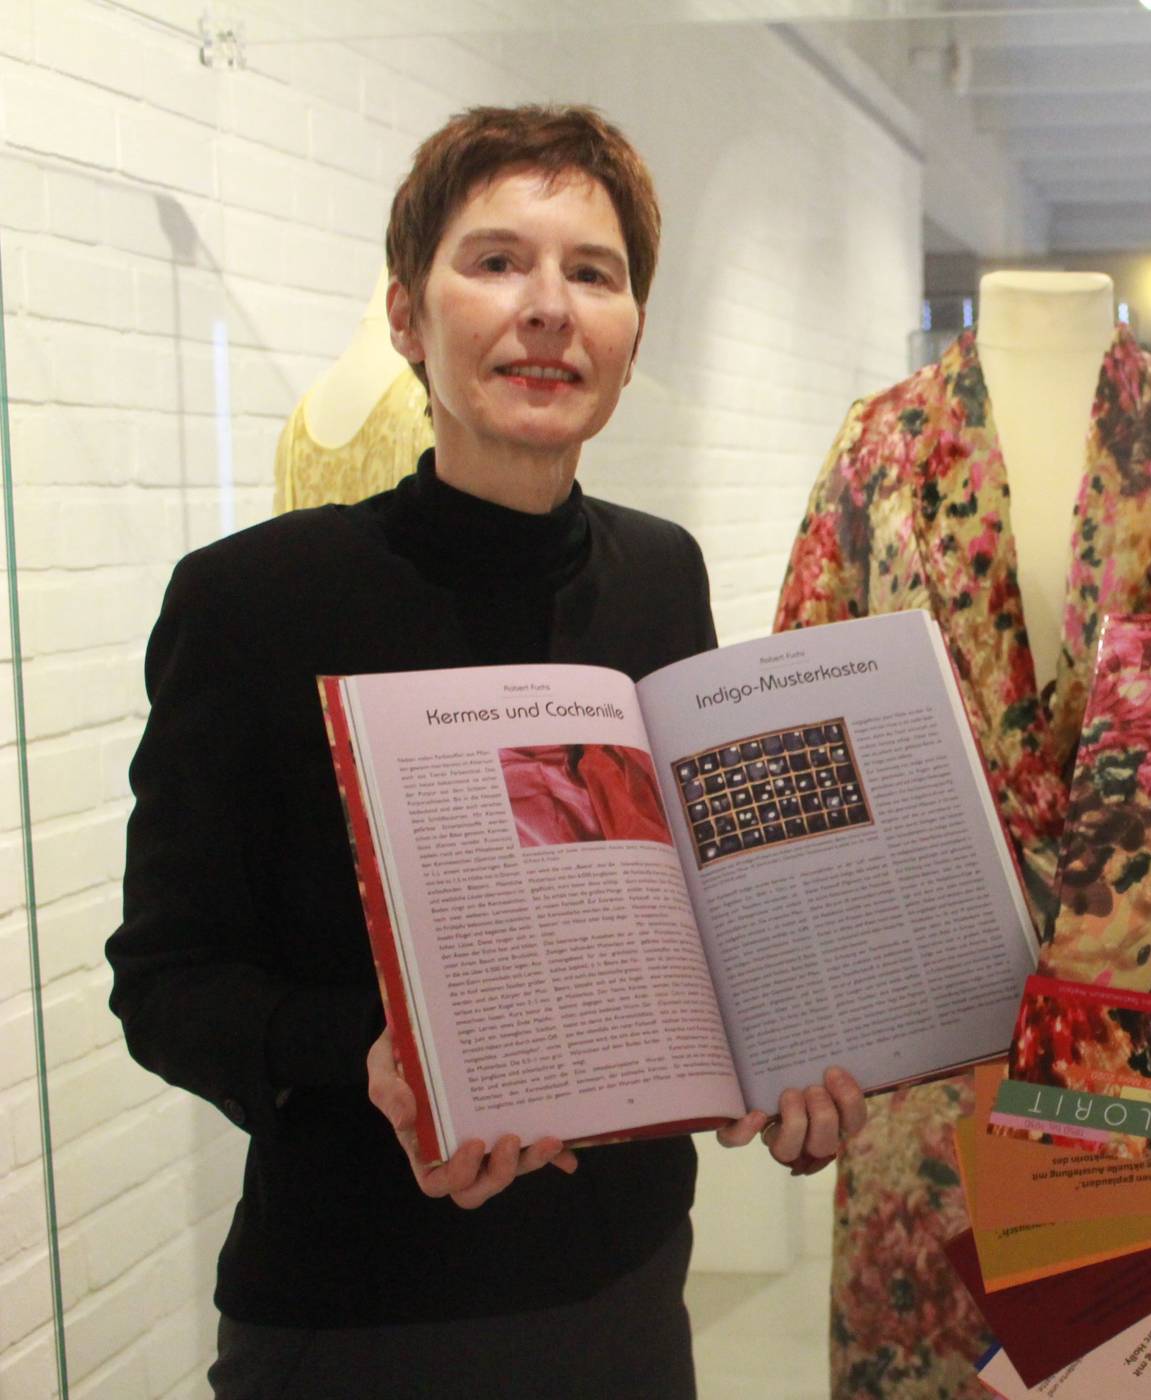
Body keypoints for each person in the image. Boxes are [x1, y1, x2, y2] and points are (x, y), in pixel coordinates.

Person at [107, 104, 864, 1399]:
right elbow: (165, 981)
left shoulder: (659, 575)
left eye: (594, 272)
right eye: (497, 261)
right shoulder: (256, 601)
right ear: (407, 316)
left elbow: (682, 915)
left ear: (633, 330)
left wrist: (784, 1053)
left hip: (623, 1289)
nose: (549, 308)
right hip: (353, 1316)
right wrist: (373, 1058)